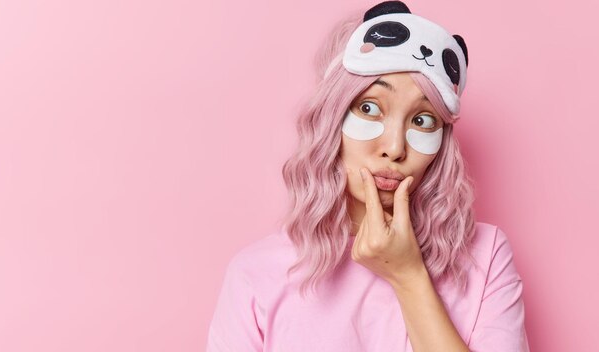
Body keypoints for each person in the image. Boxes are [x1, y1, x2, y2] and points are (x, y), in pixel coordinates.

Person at [206, 1, 530, 351]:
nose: (394, 148)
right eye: (369, 109)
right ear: (332, 119)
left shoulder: (486, 256)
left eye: (422, 120)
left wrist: (409, 277)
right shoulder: (256, 274)